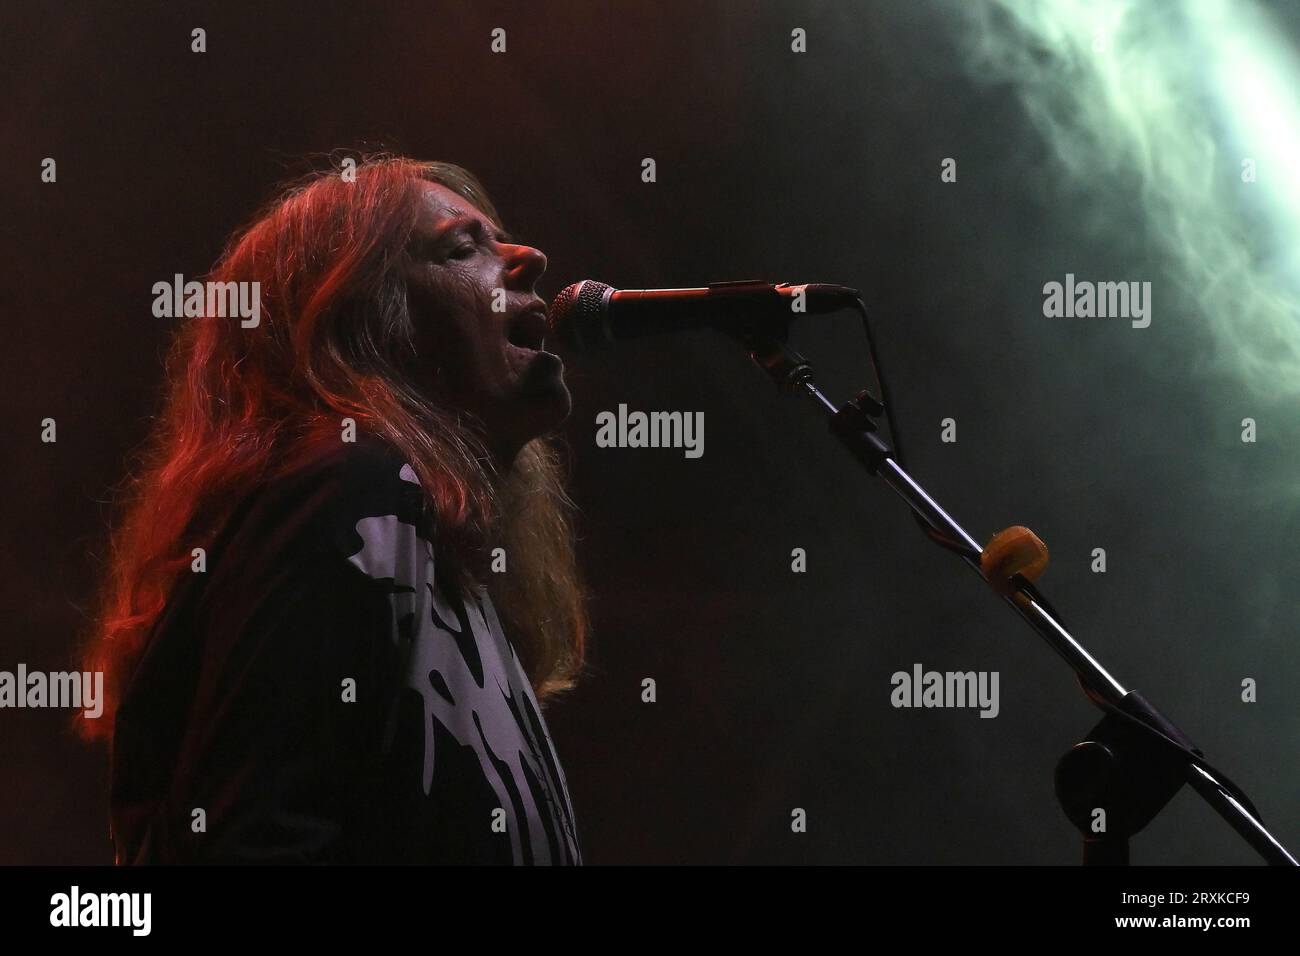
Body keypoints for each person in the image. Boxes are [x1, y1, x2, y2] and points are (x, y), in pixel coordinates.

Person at [81, 156, 589, 864]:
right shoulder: (351, 493)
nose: (529, 257)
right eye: (461, 247)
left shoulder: (437, 556)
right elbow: (261, 837)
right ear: (364, 321)